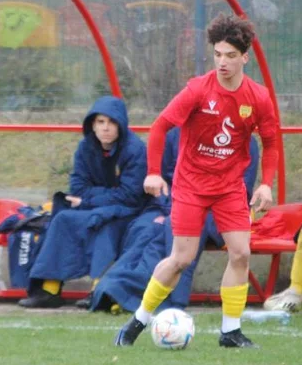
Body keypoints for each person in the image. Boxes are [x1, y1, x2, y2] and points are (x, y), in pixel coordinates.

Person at [114, 13, 278, 349]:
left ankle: (230, 332)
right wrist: (154, 172)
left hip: (230, 187)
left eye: (231, 56)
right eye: (218, 54)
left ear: (244, 57)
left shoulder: (258, 97)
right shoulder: (197, 90)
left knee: (240, 254)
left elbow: (272, 142)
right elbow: (160, 127)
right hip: (190, 186)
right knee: (181, 259)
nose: (223, 62)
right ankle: (138, 321)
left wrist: (266, 183)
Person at [87, 131, 258, 313]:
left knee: (169, 228)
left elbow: (242, 188)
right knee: (145, 227)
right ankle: (113, 288)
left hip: (218, 211)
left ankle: (142, 297)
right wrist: (170, 207)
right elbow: (162, 179)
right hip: (170, 203)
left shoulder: (244, 138)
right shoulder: (174, 133)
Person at [18, 96, 147, 308]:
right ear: (92, 125)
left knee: (106, 226)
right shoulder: (85, 147)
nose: (106, 128)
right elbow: (77, 187)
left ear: (121, 125)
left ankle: (100, 291)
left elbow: (130, 195)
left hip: (127, 211)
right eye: (100, 122)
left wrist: (89, 198)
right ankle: (49, 290)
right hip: (93, 207)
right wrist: (98, 196)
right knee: (62, 219)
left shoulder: (135, 150)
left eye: (112, 122)